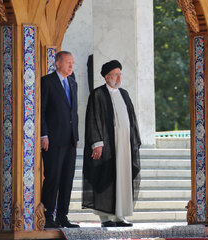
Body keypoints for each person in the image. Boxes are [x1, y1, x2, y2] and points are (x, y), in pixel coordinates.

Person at [82, 60, 141, 228]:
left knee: (123, 178)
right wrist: (97, 143)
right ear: (107, 77)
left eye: (120, 74)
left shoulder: (124, 93)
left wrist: (134, 141)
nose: (119, 77)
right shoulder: (98, 94)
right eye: (116, 74)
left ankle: (119, 216)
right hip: (107, 146)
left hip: (124, 146)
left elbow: (132, 120)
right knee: (106, 178)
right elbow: (93, 119)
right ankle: (106, 218)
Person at [41, 51, 80, 228]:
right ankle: (48, 216)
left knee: (67, 179)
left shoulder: (73, 83)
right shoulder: (47, 82)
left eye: (72, 62)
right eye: (67, 62)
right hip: (53, 140)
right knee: (53, 178)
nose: (71, 66)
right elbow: (41, 111)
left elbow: (74, 112)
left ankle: (63, 216)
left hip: (70, 140)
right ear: (57, 63)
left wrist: (76, 136)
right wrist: (44, 134)